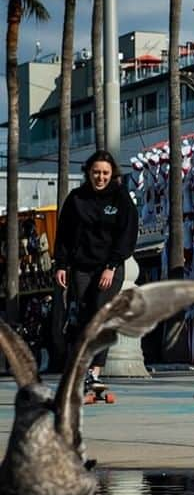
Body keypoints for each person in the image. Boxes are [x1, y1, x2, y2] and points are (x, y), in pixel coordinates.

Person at [53, 149, 138, 398]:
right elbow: (64, 235)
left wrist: (112, 266)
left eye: (105, 173)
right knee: (81, 317)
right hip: (80, 268)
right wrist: (61, 265)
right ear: (88, 173)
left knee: (100, 317)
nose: (100, 177)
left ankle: (95, 373)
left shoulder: (121, 199)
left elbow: (127, 235)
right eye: (96, 172)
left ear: (112, 175)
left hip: (108, 269)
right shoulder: (76, 198)